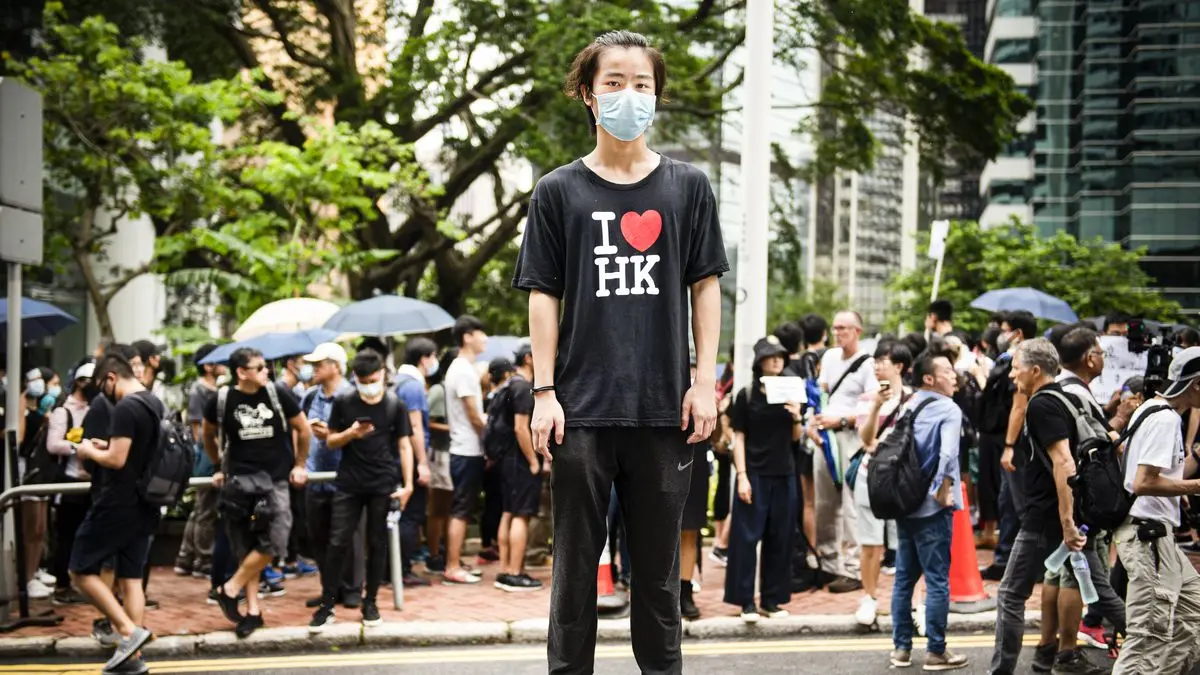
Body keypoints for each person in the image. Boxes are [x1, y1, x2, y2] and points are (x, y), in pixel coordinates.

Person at [512, 29, 727, 674]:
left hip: (666, 411)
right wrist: (544, 393)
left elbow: (706, 289)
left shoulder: (688, 187)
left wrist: (704, 382)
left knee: (659, 580)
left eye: (642, 85)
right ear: (588, 93)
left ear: (656, 97)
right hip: (580, 409)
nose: (629, 95)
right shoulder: (558, 191)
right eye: (614, 82)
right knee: (574, 575)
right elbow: (543, 297)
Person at [989, 338, 1123, 675]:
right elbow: (1111, 442)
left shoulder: (1042, 405)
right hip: (1071, 515)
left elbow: (1064, 463)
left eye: (1016, 367)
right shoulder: (1069, 397)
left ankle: (1002, 671)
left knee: (1009, 594)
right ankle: (1167, 641)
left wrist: (1066, 522)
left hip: (1048, 518)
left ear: (1035, 370)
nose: (1011, 375)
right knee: (1100, 593)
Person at [204, 348, 311, 638]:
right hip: (239, 480)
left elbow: (303, 429)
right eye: (260, 367)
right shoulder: (223, 399)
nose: (267, 371)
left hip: (274, 479)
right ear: (242, 372)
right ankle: (252, 611)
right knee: (246, 544)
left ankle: (230, 588)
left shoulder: (277, 394)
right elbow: (207, 432)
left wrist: (300, 464)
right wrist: (217, 465)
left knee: (277, 538)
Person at [69, 353, 162, 674]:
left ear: (111, 378)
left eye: (100, 386)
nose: (101, 393)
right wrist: (104, 445)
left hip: (117, 502)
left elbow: (117, 460)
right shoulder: (152, 402)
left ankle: (126, 630)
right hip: (145, 502)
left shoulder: (125, 407)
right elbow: (134, 451)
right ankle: (132, 658)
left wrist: (87, 449)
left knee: (79, 571)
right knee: (131, 579)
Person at [310, 350, 413, 629]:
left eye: (374, 378)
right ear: (355, 377)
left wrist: (408, 484)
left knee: (377, 544)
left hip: (382, 482)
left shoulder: (394, 405)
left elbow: (404, 445)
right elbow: (331, 442)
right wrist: (351, 434)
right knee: (337, 542)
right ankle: (327, 604)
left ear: (382, 374)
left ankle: (371, 602)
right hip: (349, 482)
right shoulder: (344, 402)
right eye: (364, 379)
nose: (370, 383)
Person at [1113, 346, 1200, 673]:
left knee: (1192, 615)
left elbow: (1165, 473)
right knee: (1147, 633)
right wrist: (1196, 486)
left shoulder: (1153, 409)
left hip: (1157, 536)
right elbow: (1144, 482)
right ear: (1196, 384)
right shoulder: (1165, 420)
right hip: (1147, 536)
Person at [887, 353, 969, 671]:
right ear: (929, 379)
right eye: (947, 370)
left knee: (904, 579)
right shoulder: (948, 408)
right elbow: (948, 453)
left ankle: (901, 649)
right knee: (936, 579)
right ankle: (936, 651)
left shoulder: (909, 404)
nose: (954, 375)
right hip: (932, 506)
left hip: (904, 501)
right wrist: (943, 489)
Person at [725, 337, 799, 623]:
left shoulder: (792, 390)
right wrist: (741, 476)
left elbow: (795, 439)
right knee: (746, 538)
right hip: (754, 472)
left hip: (784, 472)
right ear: (760, 362)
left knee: (780, 537)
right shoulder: (746, 394)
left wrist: (796, 418)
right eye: (771, 357)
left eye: (780, 356)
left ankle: (772, 600)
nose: (777, 361)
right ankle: (745, 601)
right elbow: (738, 436)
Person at [813, 310, 878, 592]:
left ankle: (852, 568)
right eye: (835, 327)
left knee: (851, 505)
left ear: (858, 331)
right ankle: (828, 563)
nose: (838, 332)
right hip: (825, 437)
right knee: (825, 504)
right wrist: (813, 422)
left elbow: (872, 408)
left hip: (851, 439)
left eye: (844, 328)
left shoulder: (868, 364)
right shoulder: (828, 358)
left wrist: (840, 420)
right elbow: (821, 394)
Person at [299, 343, 363, 608]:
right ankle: (329, 589)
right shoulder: (310, 396)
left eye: (319, 364)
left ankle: (352, 589)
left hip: (344, 477)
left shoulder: (352, 396)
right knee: (320, 536)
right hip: (315, 477)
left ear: (336, 366)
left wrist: (334, 436)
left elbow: (363, 436)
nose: (314, 369)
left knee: (347, 535)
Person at [854, 341, 912, 627]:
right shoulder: (867, 398)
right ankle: (869, 597)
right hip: (872, 477)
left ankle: (909, 602)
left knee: (905, 543)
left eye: (882, 361)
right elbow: (866, 440)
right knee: (871, 544)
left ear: (899, 366)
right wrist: (876, 406)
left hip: (903, 479)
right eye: (874, 362)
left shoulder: (914, 399)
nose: (877, 367)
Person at [492, 345, 543, 592]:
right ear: (528, 358)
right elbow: (520, 428)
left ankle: (505, 569)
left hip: (505, 459)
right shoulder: (523, 387)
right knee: (521, 514)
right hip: (519, 459)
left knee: (508, 512)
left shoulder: (509, 385)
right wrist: (533, 461)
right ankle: (514, 572)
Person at [443, 316, 489, 584]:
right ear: (467, 337)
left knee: (464, 507)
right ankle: (451, 567)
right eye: (480, 333)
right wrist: (490, 440)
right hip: (466, 448)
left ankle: (456, 561)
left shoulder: (464, 368)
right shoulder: (462, 369)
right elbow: (473, 415)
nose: (484, 338)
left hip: (465, 448)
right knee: (461, 508)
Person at [47, 363, 96, 606]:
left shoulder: (98, 408)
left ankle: (85, 582)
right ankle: (62, 585)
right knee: (66, 535)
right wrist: (79, 447)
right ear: (78, 382)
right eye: (87, 380)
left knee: (88, 536)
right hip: (70, 481)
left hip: (92, 483)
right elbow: (53, 444)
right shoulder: (63, 411)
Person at [175, 344, 224, 579]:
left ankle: (185, 557)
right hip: (206, 456)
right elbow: (197, 431)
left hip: (212, 453)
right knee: (206, 508)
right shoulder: (199, 391)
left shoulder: (215, 390)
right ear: (208, 366)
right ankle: (203, 559)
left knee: (200, 509)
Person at [394, 337, 438, 587]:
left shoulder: (397, 382)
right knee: (410, 515)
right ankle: (403, 570)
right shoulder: (412, 386)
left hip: (397, 459)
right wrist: (422, 463)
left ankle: (397, 568)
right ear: (424, 359)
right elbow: (415, 427)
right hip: (408, 460)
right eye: (433, 357)